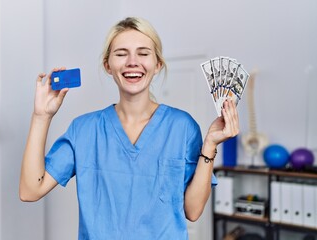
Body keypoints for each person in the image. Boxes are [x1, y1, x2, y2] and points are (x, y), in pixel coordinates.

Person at [19, 17, 239, 239]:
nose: (132, 62)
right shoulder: (83, 130)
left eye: (143, 53)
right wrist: (41, 116)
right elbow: (30, 190)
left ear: (157, 64)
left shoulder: (182, 127)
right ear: (108, 65)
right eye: (121, 54)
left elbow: (193, 211)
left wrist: (210, 144)